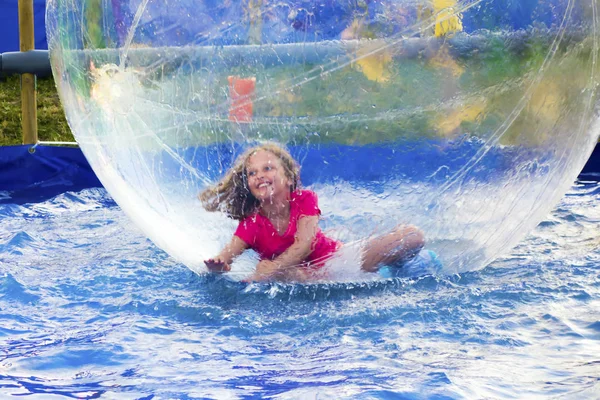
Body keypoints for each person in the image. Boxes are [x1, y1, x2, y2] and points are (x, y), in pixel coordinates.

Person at [199, 142, 425, 282]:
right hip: (301, 278)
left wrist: (271, 270)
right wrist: (218, 264)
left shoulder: (304, 200)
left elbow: (304, 244)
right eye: (251, 173)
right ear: (248, 184)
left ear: (288, 178)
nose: (259, 175)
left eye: (268, 168)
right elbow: (227, 254)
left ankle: (392, 267)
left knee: (413, 237)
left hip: (339, 262)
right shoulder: (251, 224)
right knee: (284, 274)